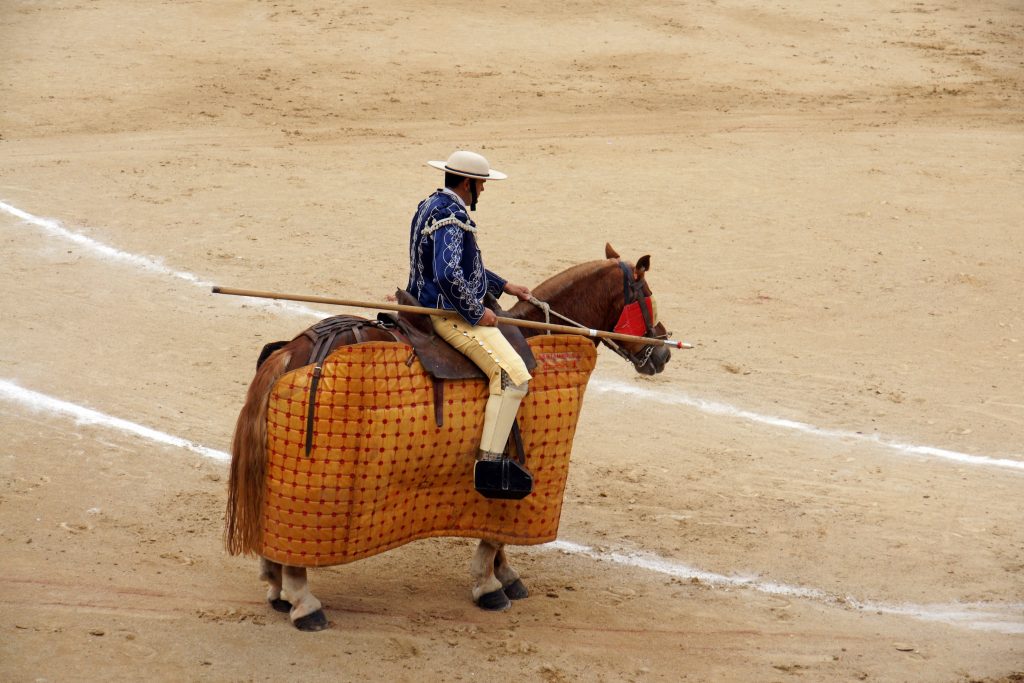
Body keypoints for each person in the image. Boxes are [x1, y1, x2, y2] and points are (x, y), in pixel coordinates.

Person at [407, 150, 533, 462]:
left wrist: (503, 286)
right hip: (447, 314)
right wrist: (478, 312)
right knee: (513, 376)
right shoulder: (454, 217)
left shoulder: (431, 204)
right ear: (467, 184)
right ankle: (489, 463)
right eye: (481, 183)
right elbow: (448, 274)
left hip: (419, 300)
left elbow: (463, 265)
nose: (483, 189)